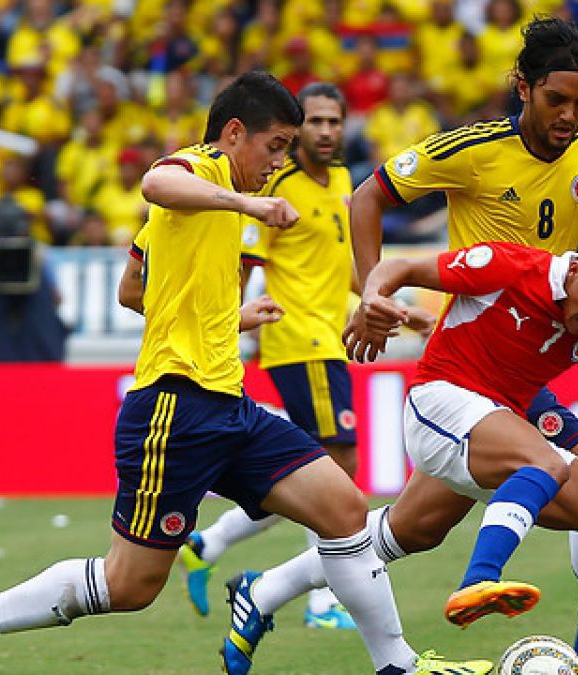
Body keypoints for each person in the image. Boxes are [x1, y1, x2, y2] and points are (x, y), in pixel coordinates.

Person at [0, 71, 491, 675]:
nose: (280, 162)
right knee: (130, 585)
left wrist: (228, 316)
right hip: (173, 408)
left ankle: (397, 665)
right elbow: (155, 181)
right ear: (234, 132)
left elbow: (131, 289)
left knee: (344, 508)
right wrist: (247, 204)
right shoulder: (205, 169)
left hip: (228, 401)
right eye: (275, 146)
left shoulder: (216, 202)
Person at [228, 237, 578, 675]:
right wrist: (377, 297)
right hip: (441, 402)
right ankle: (481, 578)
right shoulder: (510, 267)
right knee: (549, 464)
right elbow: (404, 266)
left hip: (504, 420)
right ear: (574, 270)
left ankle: (264, 591)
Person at [344, 16, 578, 672]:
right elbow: (368, 195)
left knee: (420, 527)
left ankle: (266, 586)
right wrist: (373, 296)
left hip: (534, 356)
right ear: (523, 88)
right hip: (473, 358)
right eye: (556, 100)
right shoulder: (472, 148)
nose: (569, 116)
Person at [177, 82, 431, 629]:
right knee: (338, 473)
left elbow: (344, 270)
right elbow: (242, 261)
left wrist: (396, 308)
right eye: (314, 121)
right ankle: (320, 601)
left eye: (334, 122)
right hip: (297, 339)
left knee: (311, 474)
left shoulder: (343, 182)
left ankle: (210, 542)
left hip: (331, 335)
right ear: (296, 132)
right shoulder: (277, 185)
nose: (324, 131)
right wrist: (233, 324)